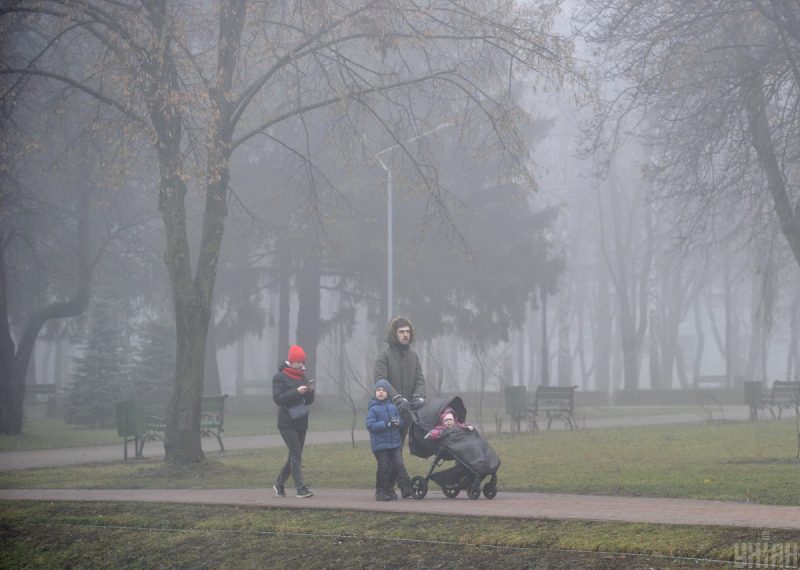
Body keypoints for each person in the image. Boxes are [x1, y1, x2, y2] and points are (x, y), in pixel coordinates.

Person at [373, 316, 427, 498]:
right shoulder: (384, 356)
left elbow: (420, 378)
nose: (405, 335)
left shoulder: (413, 356)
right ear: (394, 334)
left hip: (406, 413)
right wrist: (396, 397)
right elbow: (380, 380)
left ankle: (389, 488)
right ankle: (392, 488)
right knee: (390, 452)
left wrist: (419, 396)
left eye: (407, 332)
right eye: (401, 332)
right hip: (387, 413)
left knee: (396, 450)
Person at [272, 344, 315, 499]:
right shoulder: (279, 377)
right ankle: (300, 489)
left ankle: (279, 483)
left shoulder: (302, 377)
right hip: (286, 422)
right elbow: (278, 399)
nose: (302, 365)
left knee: (294, 455)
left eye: (303, 362)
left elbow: (308, 401)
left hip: (301, 421)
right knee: (296, 454)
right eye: (299, 362)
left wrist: (310, 391)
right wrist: (296, 392)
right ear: (292, 361)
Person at [365, 379, 413, 500]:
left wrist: (399, 423)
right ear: (375, 393)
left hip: (394, 443)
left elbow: (400, 423)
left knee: (398, 466)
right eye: (378, 390)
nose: (380, 392)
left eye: (383, 390)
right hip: (380, 445)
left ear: (388, 393)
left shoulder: (393, 407)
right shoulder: (373, 409)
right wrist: (386, 424)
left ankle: (390, 489)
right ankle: (380, 491)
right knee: (384, 467)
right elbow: (370, 425)